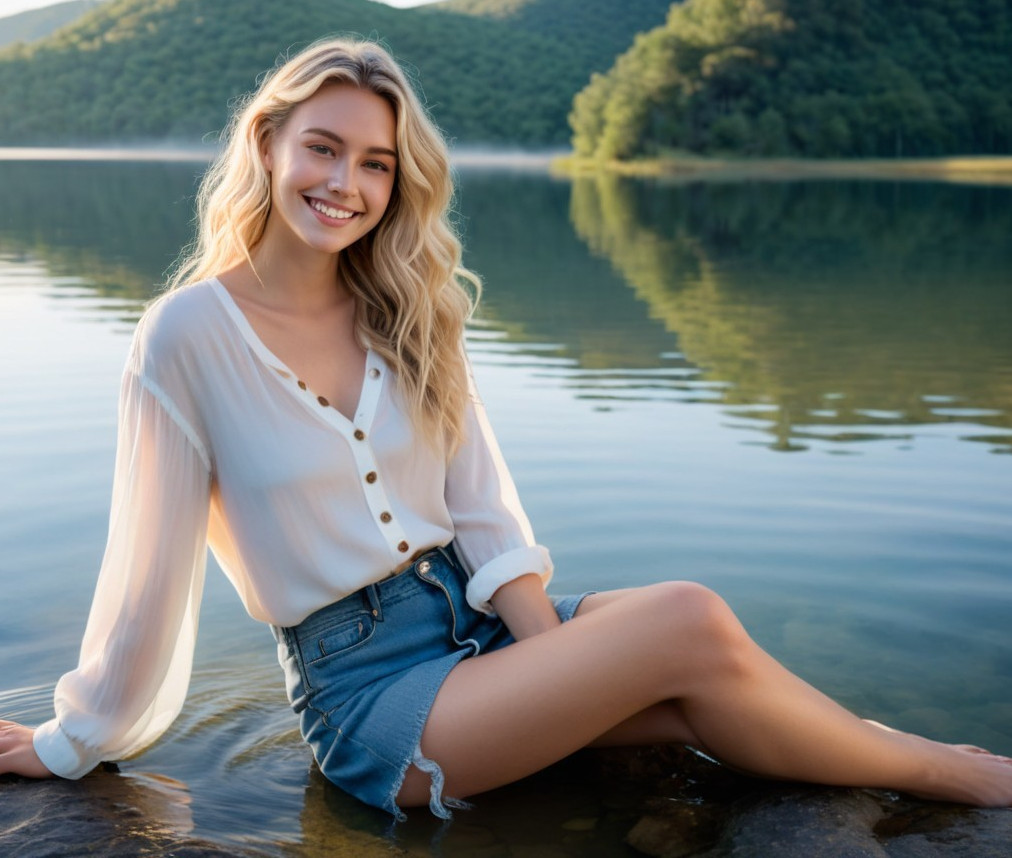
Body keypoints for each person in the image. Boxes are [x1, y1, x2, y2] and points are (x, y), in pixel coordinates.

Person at [1, 38, 1010, 821]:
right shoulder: (184, 337)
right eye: (321, 147)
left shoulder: (408, 308)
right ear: (266, 142)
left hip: (477, 633)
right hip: (369, 704)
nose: (344, 184)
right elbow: (145, 571)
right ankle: (959, 774)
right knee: (691, 618)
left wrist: (552, 665)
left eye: (375, 164)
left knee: (702, 685)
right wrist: (74, 739)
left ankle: (898, 759)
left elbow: (484, 508)